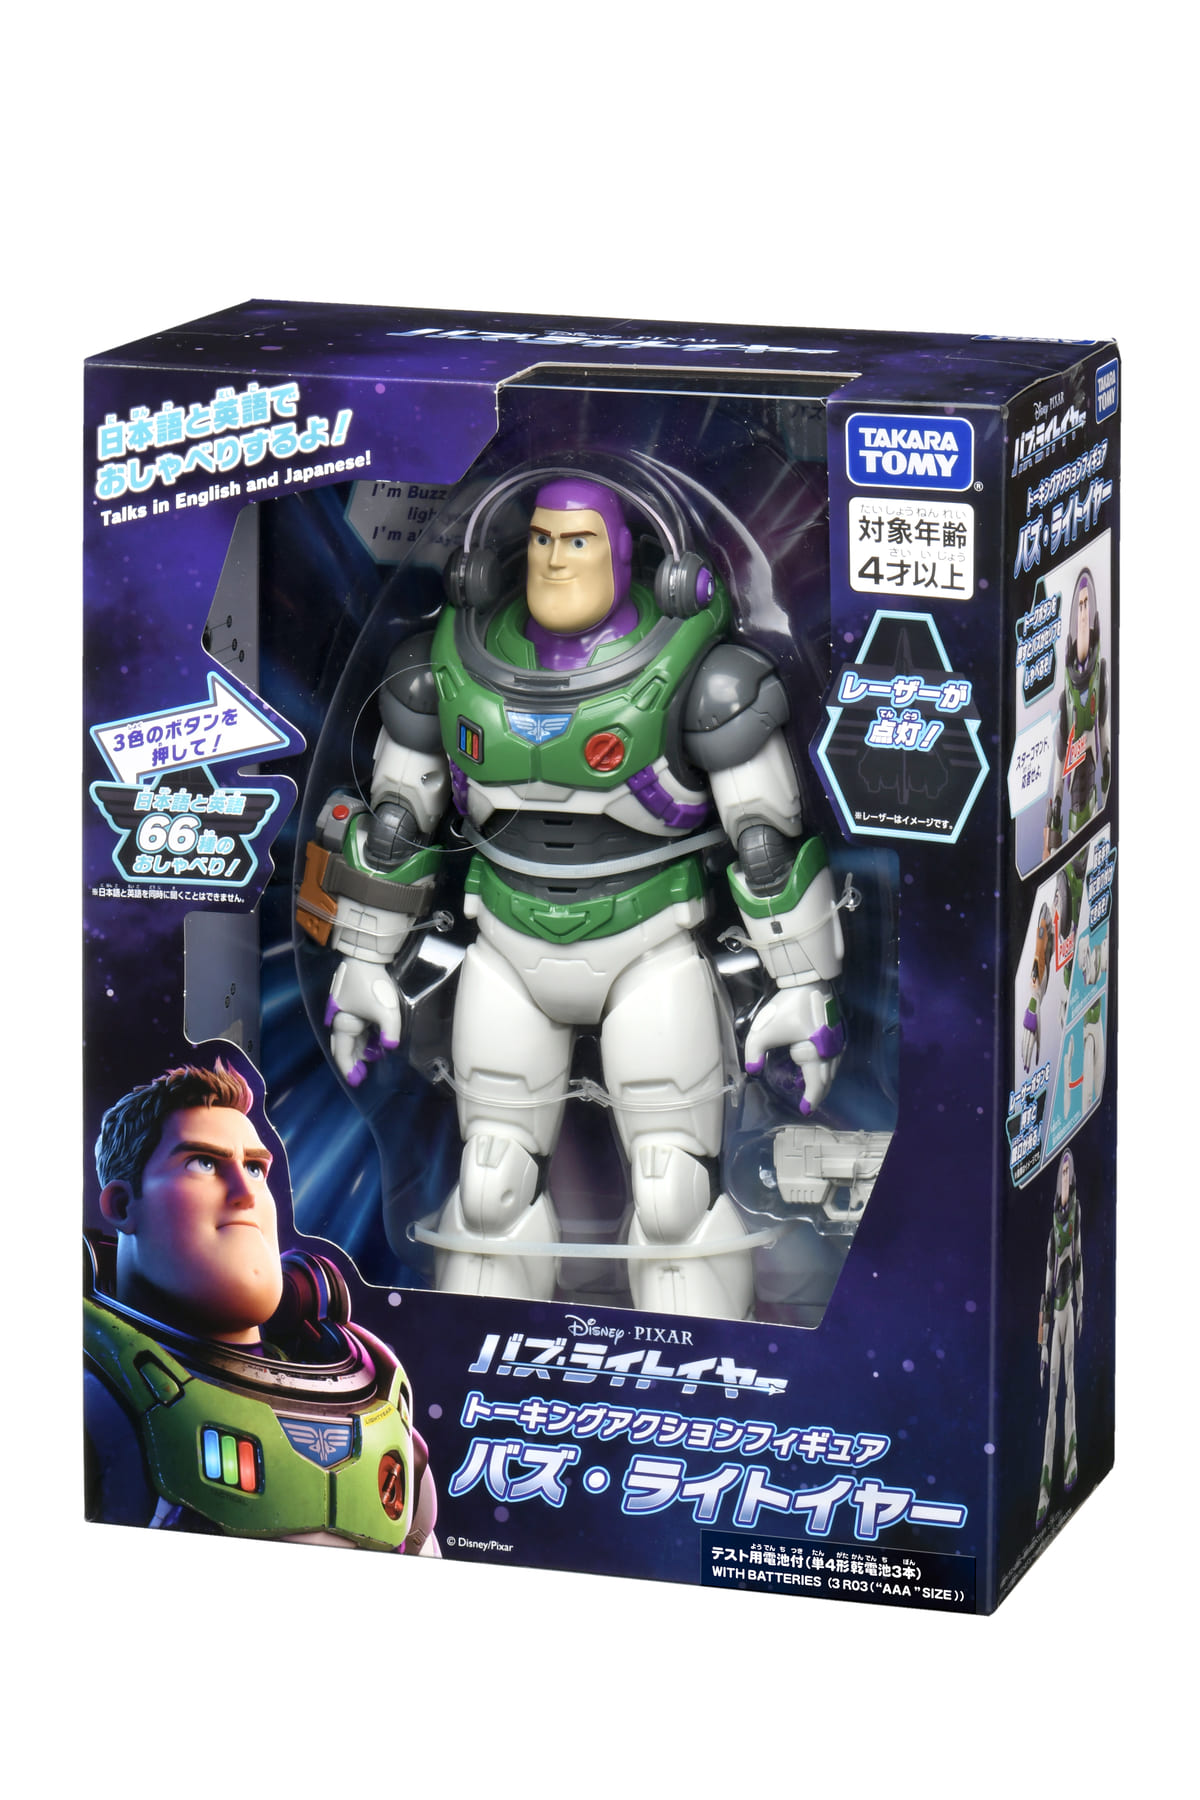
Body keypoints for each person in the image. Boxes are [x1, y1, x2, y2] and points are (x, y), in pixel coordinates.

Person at [313, 472, 847, 1319]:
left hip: (651, 946)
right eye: (541, 540)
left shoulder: (705, 678)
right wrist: (363, 963)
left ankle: (697, 1366)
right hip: (506, 948)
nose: (555, 559)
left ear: (634, 557)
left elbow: (766, 843)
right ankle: (480, 1367)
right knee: (488, 1185)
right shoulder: (444, 667)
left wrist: (803, 986)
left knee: (672, 1194)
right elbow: (394, 827)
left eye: (578, 541)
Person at [85, 1062, 437, 1551]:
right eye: (204, 1163)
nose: (245, 1191)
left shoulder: (380, 1411)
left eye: (254, 1168)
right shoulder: (94, 1404)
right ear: (123, 1206)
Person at [1036, 1149, 1084, 1528]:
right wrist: (1041, 1344)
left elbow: (1077, 1262)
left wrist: (1080, 1305)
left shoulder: (1075, 1214)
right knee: (1052, 1399)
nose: (1064, 1177)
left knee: (1069, 1389)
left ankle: (1071, 1460)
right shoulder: (1054, 1224)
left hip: (1069, 1310)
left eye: (1068, 1172)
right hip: (1054, 1312)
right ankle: (1044, 1489)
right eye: (1061, 1172)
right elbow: (1046, 1284)